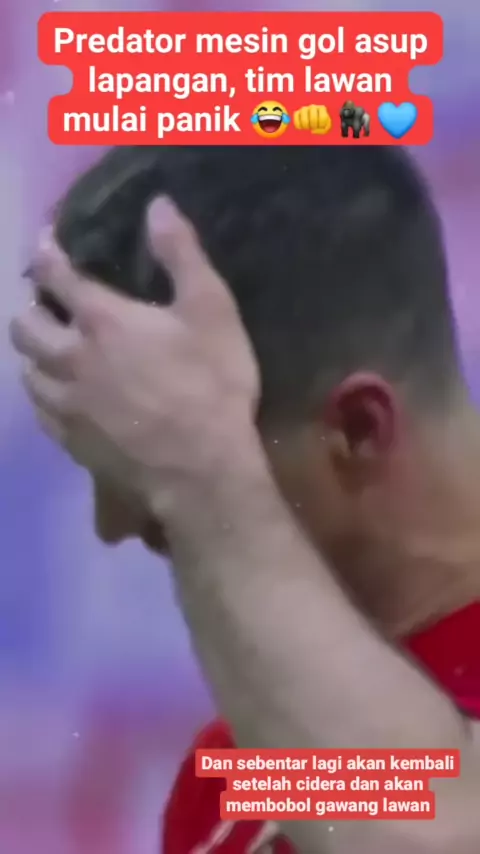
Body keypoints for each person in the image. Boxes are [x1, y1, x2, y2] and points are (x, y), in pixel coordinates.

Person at [10, 145, 480, 854]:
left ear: (358, 430)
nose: (114, 526)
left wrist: (201, 482)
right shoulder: (236, 775)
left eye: (164, 462)